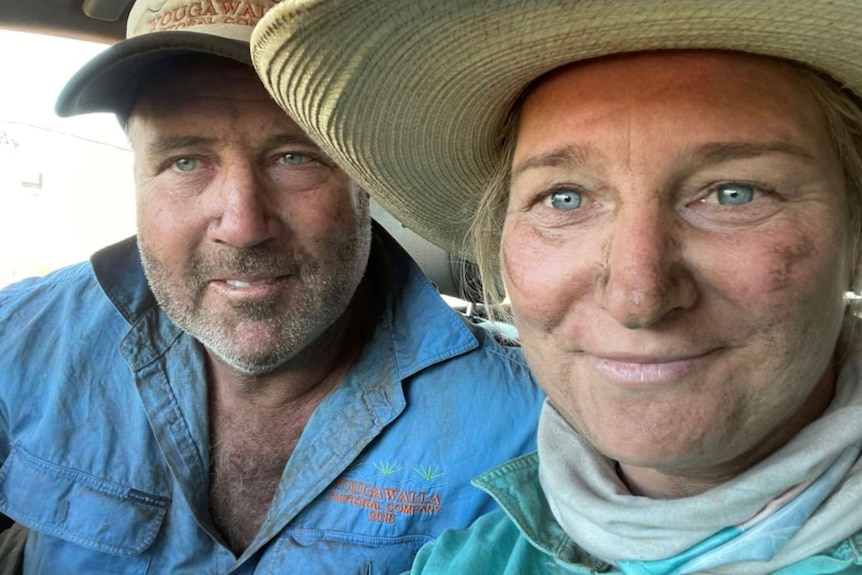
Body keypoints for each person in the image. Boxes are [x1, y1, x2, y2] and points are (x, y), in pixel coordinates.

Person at [250, 0, 862, 573]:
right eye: (564, 199)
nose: (638, 296)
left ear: (853, 235)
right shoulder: (467, 562)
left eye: (735, 193)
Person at [0, 0, 546, 572]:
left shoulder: (522, 433)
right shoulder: (30, 338)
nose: (242, 225)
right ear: (136, 174)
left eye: (294, 157)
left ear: (364, 180)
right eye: (186, 162)